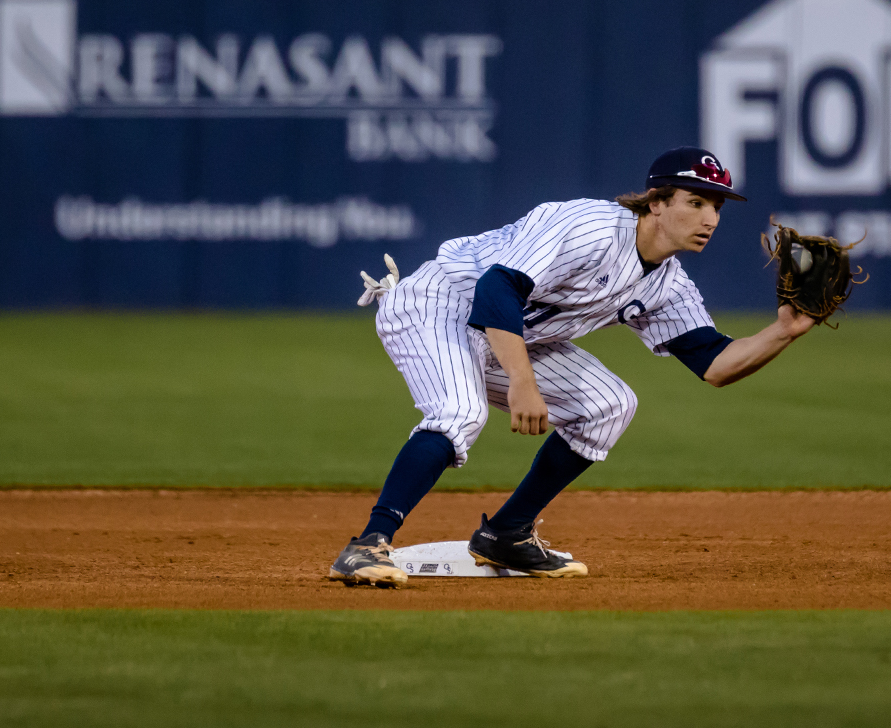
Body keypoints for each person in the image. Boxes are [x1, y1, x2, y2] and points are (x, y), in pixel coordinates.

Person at [328, 147, 817, 588]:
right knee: (460, 412)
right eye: (696, 201)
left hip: (515, 331)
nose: (710, 216)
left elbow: (714, 364)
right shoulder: (591, 227)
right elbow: (497, 289)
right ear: (655, 202)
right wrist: (522, 383)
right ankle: (367, 545)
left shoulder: (668, 283)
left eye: (717, 206)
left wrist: (783, 332)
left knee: (609, 406)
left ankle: (506, 534)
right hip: (440, 303)